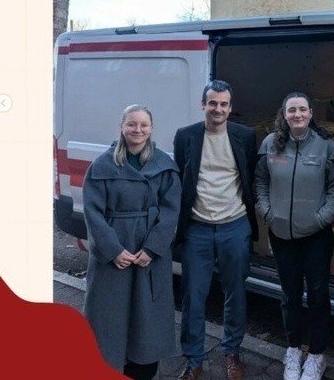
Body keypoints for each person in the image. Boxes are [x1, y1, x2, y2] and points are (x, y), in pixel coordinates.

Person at [82, 104, 181, 380]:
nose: (138, 130)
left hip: (147, 255)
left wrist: (152, 248)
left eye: (143, 125)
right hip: (114, 253)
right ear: (122, 127)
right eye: (132, 124)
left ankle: (143, 370)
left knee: (147, 314)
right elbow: (93, 213)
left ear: (151, 128)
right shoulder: (101, 166)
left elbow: (171, 211)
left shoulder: (164, 166)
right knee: (109, 313)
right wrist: (112, 250)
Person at [254, 92, 334, 380]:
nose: (297, 114)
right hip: (281, 233)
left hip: (316, 235)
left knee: (318, 295)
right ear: (284, 114)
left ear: (310, 113)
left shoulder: (326, 146)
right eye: (292, 110)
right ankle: (293, 349)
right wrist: (267, 212)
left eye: (302, 109)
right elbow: (260, 180)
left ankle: (317, 355)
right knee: (290, 295)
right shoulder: (270, 143)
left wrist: (323, 217)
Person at [173, 80, 258, 380]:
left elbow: (249, 175)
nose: (217, 109)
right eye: (212, 103)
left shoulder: (245, 136)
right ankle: (193, 359)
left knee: (235, 292)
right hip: (197, 228)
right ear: (203, 105)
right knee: (193, 296)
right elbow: (182, 176)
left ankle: (232, 351)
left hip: (235, 226)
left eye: (223, 104)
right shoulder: (186, 136)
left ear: (230, 108)